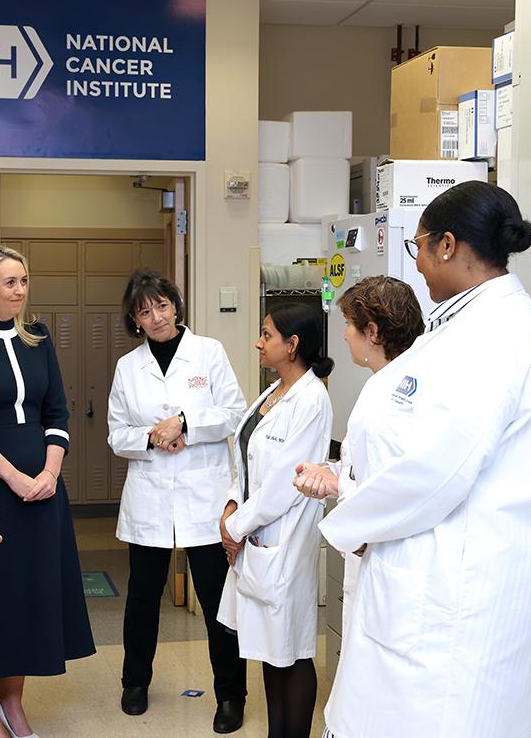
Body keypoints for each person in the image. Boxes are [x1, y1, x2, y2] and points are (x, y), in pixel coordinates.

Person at [298, 181, 531, 738]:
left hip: (455, 604)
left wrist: (350, 519)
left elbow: (437, 470)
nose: (415, 263)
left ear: (447, 245)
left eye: (416, 246)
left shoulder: (497, 334)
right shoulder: (459, 324)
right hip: (421, 578)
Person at [0, 244, 95, 738]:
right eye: (10, 282)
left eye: (24, 281)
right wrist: (12, 477)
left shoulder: (38, 337)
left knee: (32, 593)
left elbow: (57, 410)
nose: (20, 290)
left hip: (43, 488)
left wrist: (50, 473)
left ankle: (14, 701)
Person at [107, 268, 249, 734]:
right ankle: (135, 683)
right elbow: (116, 433)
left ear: (175, 305)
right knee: (143, 597)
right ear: (135, 319)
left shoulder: (208, 352)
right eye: (145, 311)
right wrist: (152, 436)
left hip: (203, 495)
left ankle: (230, 694)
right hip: (149, 498)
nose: (157, 316)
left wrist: (185, 423)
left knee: (215, 601)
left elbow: (232, 413)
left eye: (162, 306)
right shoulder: (129, 367)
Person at [216, 303, 334, 738]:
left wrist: (236, 526)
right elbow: (245, 460)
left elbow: (286, 483)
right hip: (254, 532)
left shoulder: (311, 399)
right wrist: (231, 507)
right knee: (269, 647)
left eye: (266, 335)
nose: (258, 342)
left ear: (293, 344)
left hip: (283, 539)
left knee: (293, 649)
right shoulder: (274, 392)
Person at [292, 276, 424, 638]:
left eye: (350, 324)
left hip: (386, 565)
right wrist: (331, 473)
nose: (345, 334)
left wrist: (336, 484)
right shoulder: (384, 384)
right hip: (371, 557)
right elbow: (367, 469)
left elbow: (394, 488)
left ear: (373, 332)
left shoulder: (396, 397)